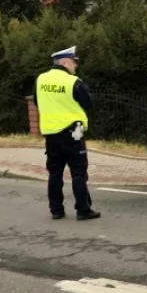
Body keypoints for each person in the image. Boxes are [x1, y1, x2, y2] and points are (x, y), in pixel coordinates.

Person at [34, 46, 99, 221]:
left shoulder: (41, 79)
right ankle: (83, 209)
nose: (75, 66)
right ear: (64, 62)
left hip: (50, 133)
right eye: (73, 62)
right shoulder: (73, 81)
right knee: (78, 172)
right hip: (72, 132)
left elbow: (36, 100)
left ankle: (56, 210)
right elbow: (88, 103)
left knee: (55, 172)